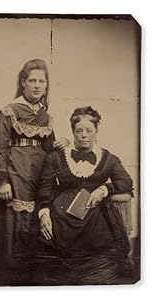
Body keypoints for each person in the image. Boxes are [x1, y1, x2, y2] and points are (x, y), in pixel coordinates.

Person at [0, 59, 67, 286]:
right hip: (14, 173)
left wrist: (59, 147)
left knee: (35, 221)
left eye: (41, 81)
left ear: (46, 86)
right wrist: (2, 180)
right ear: (23, 84)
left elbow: (49, 149)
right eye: (32, 80)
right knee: (10, 223)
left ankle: (28, 277)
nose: (36, 85)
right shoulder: (9, 112)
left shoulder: (47, 117)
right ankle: (7, 277)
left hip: (37, 177)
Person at [35, 106, 134, 285]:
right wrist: (44, 213)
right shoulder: (56, 157)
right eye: (79, 131)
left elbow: (126, 182)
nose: (84, 135)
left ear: (96, 131)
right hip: (61, 219)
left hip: (96, 219)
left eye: (89, 130)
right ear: (73, 132)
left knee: (104, 266)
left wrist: (103, 189)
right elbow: (44, 187)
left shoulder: (108, 158)